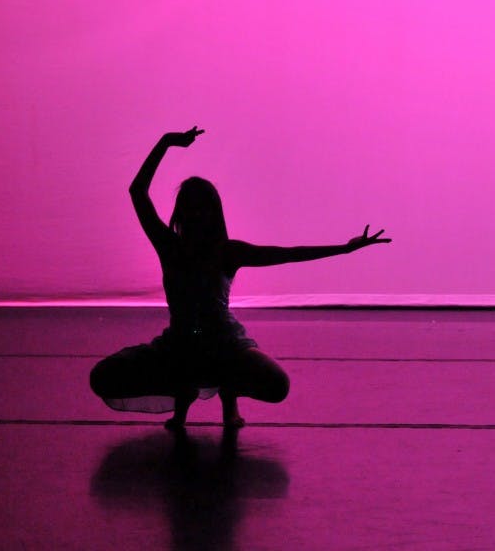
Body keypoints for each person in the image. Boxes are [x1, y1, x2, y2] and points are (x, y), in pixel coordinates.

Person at [90, 127, 391, 429]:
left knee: (277, 384)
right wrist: (165, 143)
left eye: (201, 209)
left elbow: (287, 254)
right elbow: (138, 193)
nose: (196, 215)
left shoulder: (226, 252)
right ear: (181, 213)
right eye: (191, 208)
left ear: (212, 214)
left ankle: (226, 394)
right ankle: (185, 392)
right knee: (102, 377)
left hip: (225, 344)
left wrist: (343, 249)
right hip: (179, 344)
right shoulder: (170, 246)